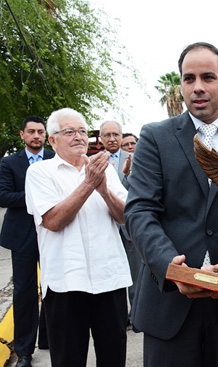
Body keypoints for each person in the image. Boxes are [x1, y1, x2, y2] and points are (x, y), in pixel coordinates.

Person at [123, 42, 218, 367]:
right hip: (169, 307)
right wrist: (169, 266)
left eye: (208, 77)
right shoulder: (154, 137)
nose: (197, 87)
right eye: (188, 78)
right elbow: (139, 211)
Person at [25, 107, 132, 366]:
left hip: (110, 279)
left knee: (113, 356)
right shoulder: (40, 173)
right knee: (68, 359)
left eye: (83, 131)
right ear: (52, 140)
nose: (79, 137)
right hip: (66, 283)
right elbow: (53, 220)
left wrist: (104, 191)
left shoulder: (103, 171)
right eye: (69, 132)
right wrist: (88, 184)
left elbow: (126, 217)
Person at [0, 116, 54, 367]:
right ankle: (24, 351)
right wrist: (36, 195)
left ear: (46, 135)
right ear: (22, 135)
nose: (36, 136)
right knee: (24, 293)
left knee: (54, 288)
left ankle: (48, 338)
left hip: (53, 231)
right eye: (31, 132)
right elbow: (3, 196)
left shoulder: (55, 159)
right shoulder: (9, 162)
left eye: (40, 132)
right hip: (21, 235)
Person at [99, 120, 139, 322]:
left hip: (129, 226)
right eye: (107, 135)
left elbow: (141, 189)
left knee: (135, 273)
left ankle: (137, 315)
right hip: (105, 228)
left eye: (116, 134)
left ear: (122, 137)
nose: (112, 138)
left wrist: (129, 173)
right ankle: (118, 317)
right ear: (101, 139)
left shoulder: (135, 158)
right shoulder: (93, 161)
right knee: (112, 272)